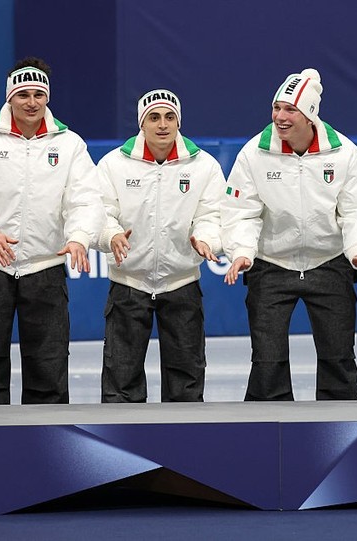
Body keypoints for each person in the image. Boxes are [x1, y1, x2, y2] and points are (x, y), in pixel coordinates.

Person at [0, 57, 104, 439]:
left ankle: (46, 450)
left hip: (45, 268)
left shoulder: (69, 144)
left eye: (39, 95)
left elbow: (86, 200)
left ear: (47, 98)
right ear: (10, 97)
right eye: (23, 95)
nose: (31, 102)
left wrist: (79, 236)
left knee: (47, 366)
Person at [221, 68, 357, 401]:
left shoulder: (345, 154)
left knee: (339, 359)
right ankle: (266, 435)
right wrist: (241, 252)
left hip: (330, 263)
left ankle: (339, 430)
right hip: (271, 264)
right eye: (276, 107)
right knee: (267, 362)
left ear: (310, 115)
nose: (280, 116)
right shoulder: (254, 154)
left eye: (289, 109)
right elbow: (241, 213)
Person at [95, 89, 224, 403]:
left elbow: (213, 214)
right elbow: (99, 212)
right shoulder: (114, 164)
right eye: (154, 117)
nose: (162, 124)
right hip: (129, 283)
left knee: (187, 383)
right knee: (120, 381)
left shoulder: (203, 166)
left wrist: (207, 239)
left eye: (170, 117)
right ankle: (119, 445)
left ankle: (185, 449)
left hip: (182, 283)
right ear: (142, 123)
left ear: (179, 122)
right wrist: (110, 236)